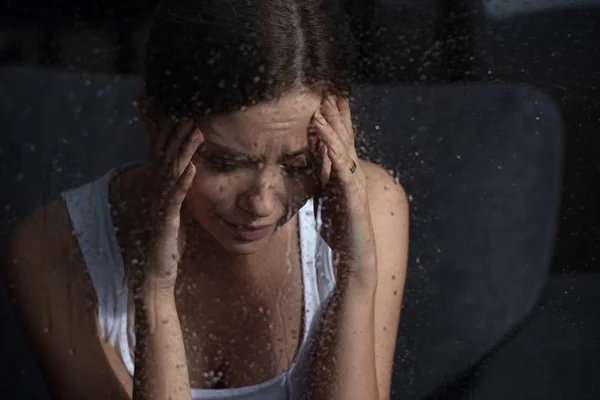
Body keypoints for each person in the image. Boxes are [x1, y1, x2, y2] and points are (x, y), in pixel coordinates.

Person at [1, 0, 409, 399]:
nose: (262, 203)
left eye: (299, 165)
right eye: (228, 163)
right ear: (154, 120)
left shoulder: (372, 208)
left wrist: (356, 274)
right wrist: (155, 293)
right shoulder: (52, 249)